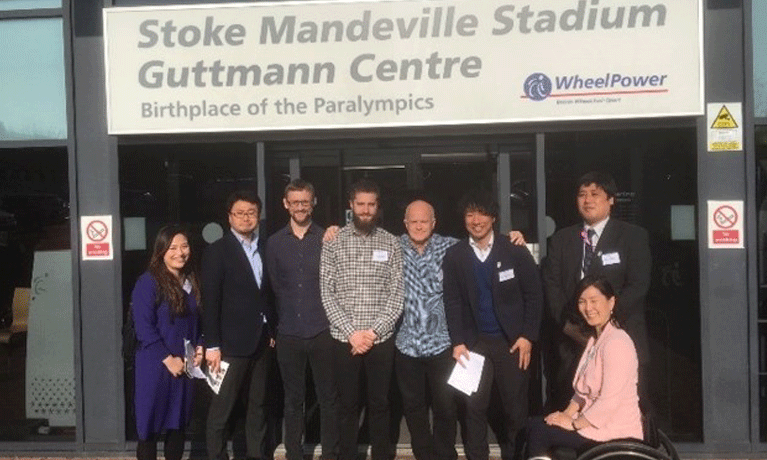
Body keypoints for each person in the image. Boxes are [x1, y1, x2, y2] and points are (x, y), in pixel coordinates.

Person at [443, 190, 544, 460]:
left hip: (511, 343)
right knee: (474, 408)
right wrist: (458, 341)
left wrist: (527, 335)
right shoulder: (455, 255)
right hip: (474, 344)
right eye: (470, 214)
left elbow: (534, 295)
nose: (476, 220)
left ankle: (516, 455)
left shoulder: (514, 251)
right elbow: (452, 301)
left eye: (482, 213)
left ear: (494, 218)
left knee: (515, 409)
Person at [542, 171, 651, 412]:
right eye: (582, 195)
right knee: (569, 407)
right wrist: (571, 325)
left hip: (619, 334)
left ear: (611, 199)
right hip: (573, 340)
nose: (587, 200)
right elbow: (552, 285)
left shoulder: (633, 237)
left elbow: (638, 285)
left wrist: (605, 322)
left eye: (595, 194)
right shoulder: (562, 239)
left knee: (618, 408)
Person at [320, 178, 404, 460]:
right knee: (347, 406)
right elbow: (326, 291)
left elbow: (397, 294)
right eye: (361, 204)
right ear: (351, 205)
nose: (366, 210)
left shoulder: (391, 243)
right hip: (344, 340)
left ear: (378, 207)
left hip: (379, 341)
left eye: (371, 205)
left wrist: (372, 333)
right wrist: (352, 333)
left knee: (380, 404)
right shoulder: (333, 241)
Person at [526, 275, 643, 460]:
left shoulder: (617, 343)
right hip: (595, 425)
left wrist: (574, 424)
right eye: (582, 302)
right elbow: (581, 393)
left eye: (594, 301)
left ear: (611, 302)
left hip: (613, 431)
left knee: (540, 432)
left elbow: (609, 402)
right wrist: (564, 415)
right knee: (538, 424)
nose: (588, 308)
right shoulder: (595, 341)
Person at [266, 179, 339, 460]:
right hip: (289, 333)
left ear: (313, 203)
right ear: (286, 204)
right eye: (294, 202)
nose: (300, 207)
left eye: (305, 202)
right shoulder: (273, 243)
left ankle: (330, 453)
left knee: (328, 398)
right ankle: (294, 453)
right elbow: (272, 287)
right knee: (293, 400)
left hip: (323, 331)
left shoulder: (328, 238)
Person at [202, 190, 275, 460]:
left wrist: (272, 330)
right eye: (240, 213)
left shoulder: (265, 247)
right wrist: (212, 345)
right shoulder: (217, 251)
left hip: (261, 343)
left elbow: (267, 294)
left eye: (251, 213)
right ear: (229, 217)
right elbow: (210, 301)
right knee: (222, 410)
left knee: (258, 407)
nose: (246, 218)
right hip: (229, 346)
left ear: (258, 215)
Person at [131, 225, 203, 460]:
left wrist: (200, 346)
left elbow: (199, 321)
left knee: (177, 425)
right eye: (172, 247)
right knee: (149, 427)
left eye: (184, 246)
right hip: (156, 365)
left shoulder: (191, 281)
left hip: (184, 365)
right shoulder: (148, 282)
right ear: (161, 251)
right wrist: (167, 359)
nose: (180, 253)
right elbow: (143, 327)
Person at [395, 200, 459, 460]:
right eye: (414, 221)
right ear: (405, 223)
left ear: (434, 223)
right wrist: (332, 230)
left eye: (424, 221)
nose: (419, 226)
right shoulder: (393, 246)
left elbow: (484, 245)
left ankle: (445, 455)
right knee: (413, 407)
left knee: (445, 406)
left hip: (442, 343)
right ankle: (424, 455)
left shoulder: (452, 247)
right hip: (406, 344)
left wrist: (514, 237)